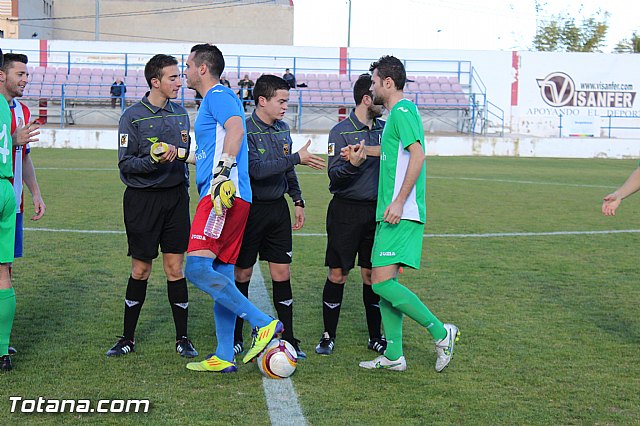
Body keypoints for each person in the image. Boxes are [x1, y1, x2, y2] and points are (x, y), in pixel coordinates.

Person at [183, 43, 283, 373]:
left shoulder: (218, 96)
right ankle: (224, 355)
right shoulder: (214, 101)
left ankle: (263, 323)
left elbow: (237, 130)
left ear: (202, 68)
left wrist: (222, 174)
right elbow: (211, 149)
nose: (184, 71)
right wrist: (180, 154)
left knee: (196, 269)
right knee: (223, 272)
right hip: (231, 194)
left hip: (221, 197)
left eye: (187, 65)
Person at [357, 55, 459, 372]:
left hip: (400, 213)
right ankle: (394, 356)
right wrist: (364, 151)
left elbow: (418, 155)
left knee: (381, 283)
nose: (371, 86)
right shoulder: (398, 115)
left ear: (388, 83)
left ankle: (441, 333)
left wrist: (400, 202)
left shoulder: (402, 110)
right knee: (382, 281)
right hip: (391, 212)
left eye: (374, 81)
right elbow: (395, 153)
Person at [107, 54, 197, 359]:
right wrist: (152, 160)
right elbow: (125, 165)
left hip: (175, 199)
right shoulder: (131, 117)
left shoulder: (181, 114)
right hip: (142, 201)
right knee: (141, 269)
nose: (179, 82)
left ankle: (182, 338)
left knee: (175, 268)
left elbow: (186, 155)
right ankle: (127, 338)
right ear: (154, 82)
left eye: (179, 76)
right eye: (173, 78)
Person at [233, 75, 325, 360]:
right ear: (262, 101)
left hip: (277, 211)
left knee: (282, 273)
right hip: (249, 210)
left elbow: (287, 171)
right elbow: (257, 170)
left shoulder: (283, 130)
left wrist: (297, 199)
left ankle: (289, 338)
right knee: (242, 273)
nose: (286, 106)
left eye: (287, 100)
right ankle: (236, 336)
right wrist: (297, 157)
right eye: (281, 101)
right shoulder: (244, 130)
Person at [315, 73, 386, 356]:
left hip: (376, 214)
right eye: (378, 99)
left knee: (372, 275)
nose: (383, 104)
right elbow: (334, 178)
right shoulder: (340, 131)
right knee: (338, 273)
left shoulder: (385, 130)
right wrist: (354, 165)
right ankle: (328, 335)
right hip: (345, 211)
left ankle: (375, 336)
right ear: (367, 99)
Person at [1, 53, 45, 358]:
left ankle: (3, 338)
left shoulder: (23, 110)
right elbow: (13, 143)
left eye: (27, 74)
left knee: (7, 269)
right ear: (3, 75)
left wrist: (35, 193)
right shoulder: (3, 111)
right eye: (20, 73)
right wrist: (13, 140)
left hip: (11, 201)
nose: (25, 79)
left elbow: (24, 156)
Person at [0, 48, 30, 372]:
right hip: (7, 188)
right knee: (3, 274)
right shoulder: (8, 111)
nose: (24, 79)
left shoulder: (14, 110)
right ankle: (2, 350)